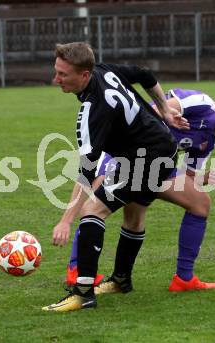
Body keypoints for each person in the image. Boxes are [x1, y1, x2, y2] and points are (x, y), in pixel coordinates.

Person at [64, 84, 215, 294]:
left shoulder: (209, 140)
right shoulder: (201, 102)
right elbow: (150, 112)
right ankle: (76, 270)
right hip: (123, 150)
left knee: (198, 203)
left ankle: (183, 279)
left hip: (155, 168)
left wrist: (201, 177)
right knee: (97, 205)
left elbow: (187, 176)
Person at [42, 42, 186, 313]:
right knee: (133, 215)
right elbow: (145, 74)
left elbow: (87, 170)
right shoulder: (104, 70)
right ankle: (121, 280)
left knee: (91, 211)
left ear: (84, 75)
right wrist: (164, 110)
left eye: (63, 74)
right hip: (163, 146)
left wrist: (65, 220)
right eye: (56, 71)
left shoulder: (92, 110)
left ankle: (83, 293)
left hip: (146, 158)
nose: (56, 79)